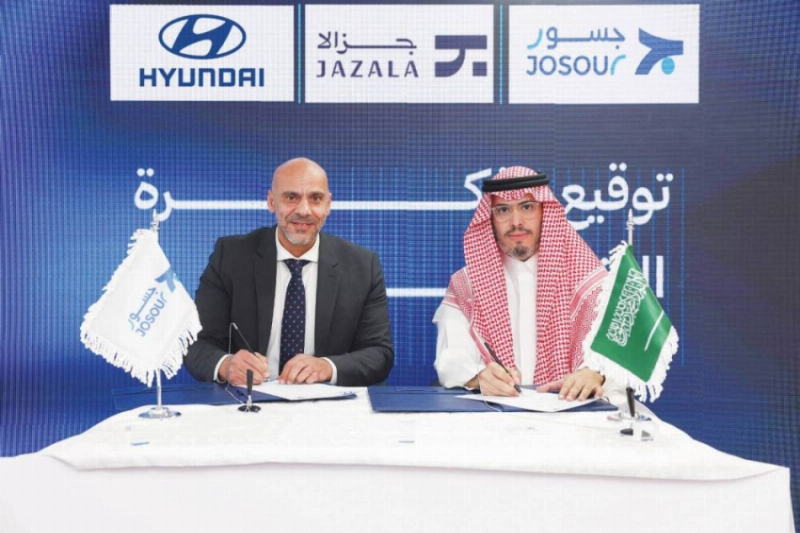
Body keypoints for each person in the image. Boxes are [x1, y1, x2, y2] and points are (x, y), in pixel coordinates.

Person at [185, 157, 394, 387]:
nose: (304, 210)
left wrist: (327, 367)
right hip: (250, 401)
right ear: (271, 201)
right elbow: (196, 343)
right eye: (291, 197)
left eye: (315, 198)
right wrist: (227, 365)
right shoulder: (231, 257)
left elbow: (379, 354)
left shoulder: (362, 266)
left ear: (328, 205)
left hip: (330, 403)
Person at [434, 166, 611, 400]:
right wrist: (478, 376)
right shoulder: (467, 284)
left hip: (571, 413)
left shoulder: (586, 278)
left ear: (544, 211)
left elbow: (620, 350)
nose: (516, 222)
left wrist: (595, 372)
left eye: (527, 207)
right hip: (493, 413)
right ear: (490, 218)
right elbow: (450, 358)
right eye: (503, 210)